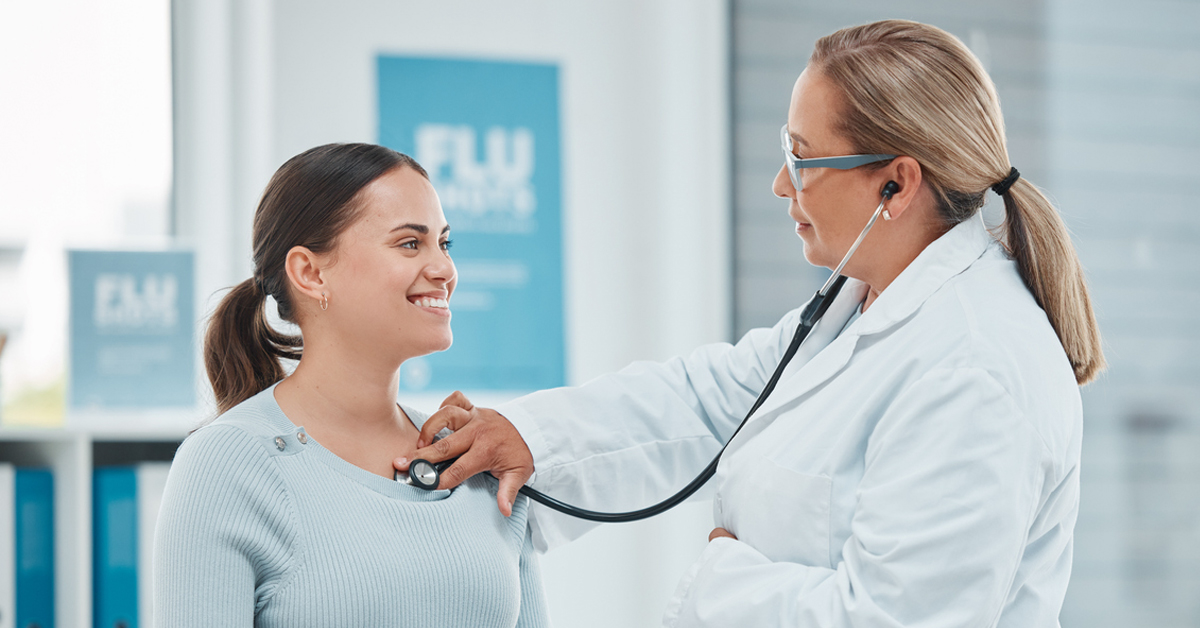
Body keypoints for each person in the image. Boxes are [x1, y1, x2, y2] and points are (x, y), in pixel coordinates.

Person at [397, 19, 1105, 627]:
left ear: (897, 183)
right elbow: (708, 400)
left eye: (803, 159)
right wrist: (528, 436)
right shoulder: (859, 304)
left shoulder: (975, 369)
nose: (779, 184)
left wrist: (721, 582)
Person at [154, 143, 548, 627]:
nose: (445, 269)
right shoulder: (226, 465)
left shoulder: (477, 457)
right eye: (410, 243)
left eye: (444, 243)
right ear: (311, 272)